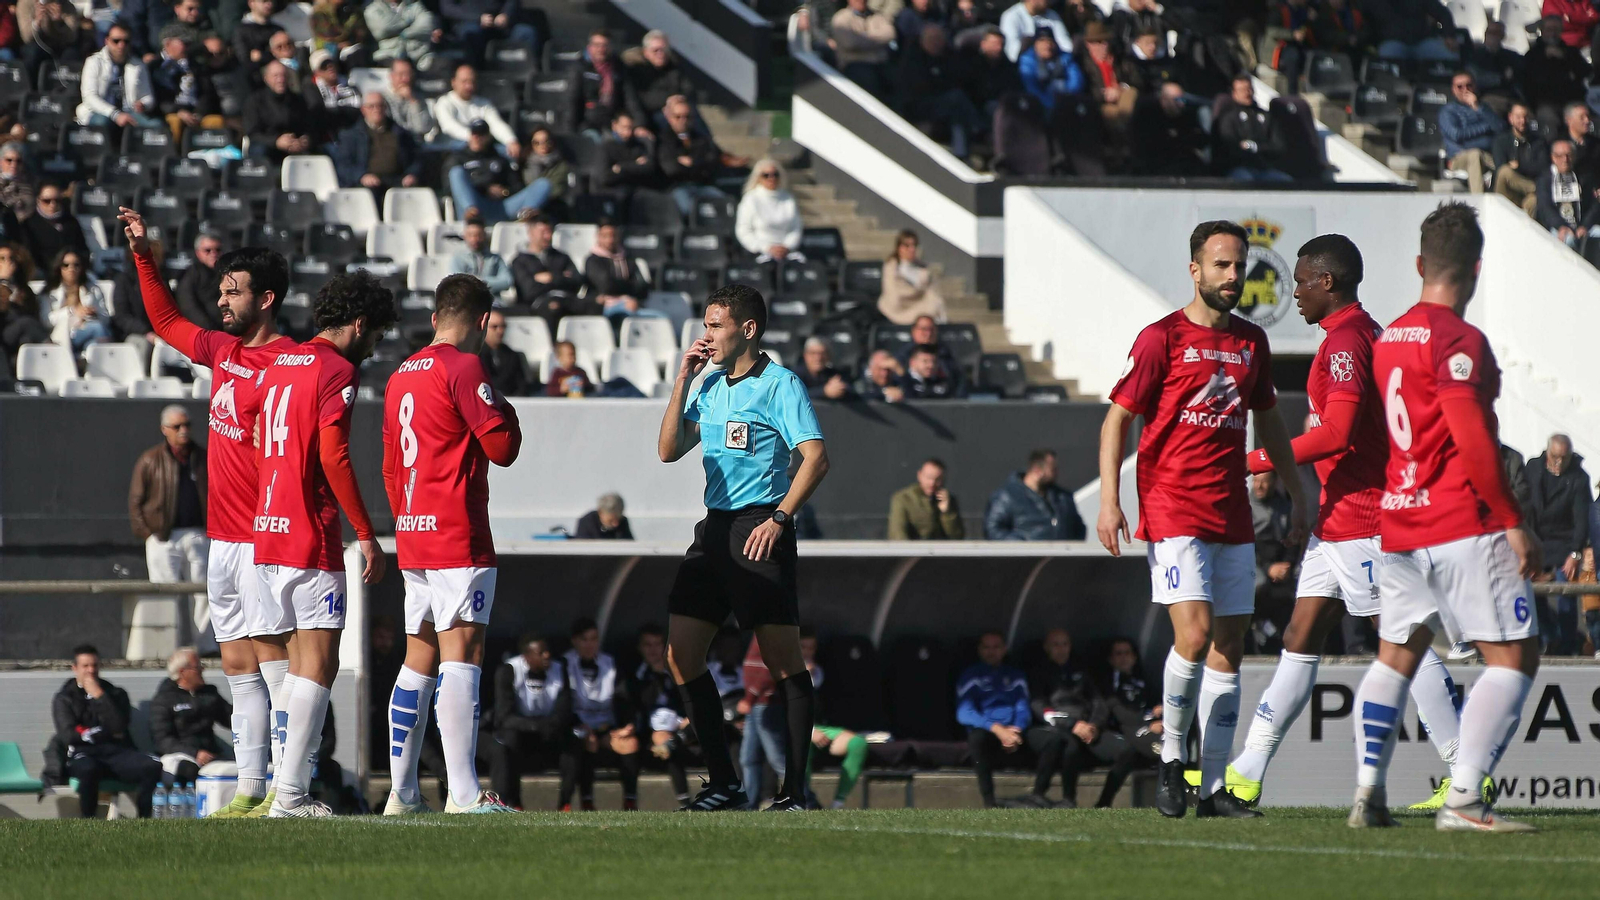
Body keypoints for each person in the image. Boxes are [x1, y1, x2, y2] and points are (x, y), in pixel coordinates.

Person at [1225, 242, 1462, 813]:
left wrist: (1256, 460)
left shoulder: (1347, 341)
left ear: (1327, 281)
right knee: (1299, 637)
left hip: (1366, 518)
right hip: (1337, 518)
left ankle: (1467, 769)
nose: (1296, 293)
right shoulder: (1354, 336)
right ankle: (1247, 771)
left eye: (1302, 281)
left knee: (1401, 640)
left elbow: (1336, 434)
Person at [1097, 219, 1309, 819]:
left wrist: (1295, 490)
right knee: (1191, 637)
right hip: (1171, 505)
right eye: (1221, 265)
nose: (1232, 276)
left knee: (1229, 646)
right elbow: (1116, 420)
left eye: (1240, 266)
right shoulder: (1160, 338)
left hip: (1231, 509)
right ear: (1195, 270)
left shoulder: (1250, 344)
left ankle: (1214, 788)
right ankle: (1170, 759)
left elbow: (1267, 421)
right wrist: (1111, 500)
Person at [1347, 203, 1543, 832]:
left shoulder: (1388, 340)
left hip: (1399, 522)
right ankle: (1462, 802)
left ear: (1418, 264)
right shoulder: (1459, 340)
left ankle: (1367, 792)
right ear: (1477, 270)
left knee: (1395, 658)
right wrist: (1511, 516)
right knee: (1513, 658)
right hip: (1459, 520)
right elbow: (1471, 439)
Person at [121, 208, 298, 818]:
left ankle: (289, 785)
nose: (222, 301)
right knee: (239, 669)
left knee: (274, 666)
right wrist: (145, 254)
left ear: (266, 298)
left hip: (261, 539)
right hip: (222, 542)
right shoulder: (223, 351)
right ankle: (251, 786)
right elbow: (166, 319)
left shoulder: (293, 365)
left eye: (234, 291)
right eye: (220, 290)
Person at [657, 283, 829, 811]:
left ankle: (795, 792)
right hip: (713, 530)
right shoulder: (706, 386)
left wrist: (780, 518)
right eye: (705, 324)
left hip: (758, 528)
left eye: (714, 325)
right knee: (681, 654)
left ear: (746, 330)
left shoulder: (779, 385)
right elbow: (667, 451)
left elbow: (816, 458)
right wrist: (683, 378)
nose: (705, 334)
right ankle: (725, 784)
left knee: (783, 666)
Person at [381, 273, 522, 816]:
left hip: (413, 532)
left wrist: (405, 522)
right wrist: (506, 408)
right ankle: (464, 794)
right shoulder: (465, 367)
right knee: (463, 653)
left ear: (436, 317)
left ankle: (402, 792)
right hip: (457, 533)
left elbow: (391, 467)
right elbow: (502, 447)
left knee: (418, 655)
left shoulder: (399, 375)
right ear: (484, 321)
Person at [255, 269, 393, 818]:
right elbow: (334, 455)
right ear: (360, 324)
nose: (373, 347)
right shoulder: (336, 369)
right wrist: (366, 533)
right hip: (310, 533)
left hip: (267, 530)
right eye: (376, 336)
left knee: (295, 667)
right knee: (319, 664)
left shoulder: (278, 362)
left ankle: (281, 788)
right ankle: (288, 796)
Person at [129, 405, 208, 642]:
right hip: (163, 536)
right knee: (164, 593)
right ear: (165, 429)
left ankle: (207, 647)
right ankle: (165, 647)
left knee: (203, 592)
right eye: (177, 426)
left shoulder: (203, 457)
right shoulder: (150, 460)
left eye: (187, 425)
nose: (183, 431)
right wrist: (148, 534)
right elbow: (135, 501)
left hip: (199, 534)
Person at [54, 644, 163, 818]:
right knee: (88, 769)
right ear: (75, 668)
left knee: (151, 766)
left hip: (117, 753)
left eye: (95, 665)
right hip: (84, 754)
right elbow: (68, 735)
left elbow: (119, 726)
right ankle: (88, 821)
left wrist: (99, 696)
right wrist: (103, 733)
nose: (91, 670)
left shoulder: (115, 694)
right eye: (85, 666)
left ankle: (145, 820)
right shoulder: (65, 698)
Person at [1025, 627, 1117, 808]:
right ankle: (1067, 798)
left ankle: (1104, 803)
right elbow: (1040, 707)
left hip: (1088, 728)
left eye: (1065, 644)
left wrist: (1095, 725)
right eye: (1055, 644)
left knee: (1126, 751)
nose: (1061, 648)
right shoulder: (1038, 672)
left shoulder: (1082, 670)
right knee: (1069, 744)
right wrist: (1072, 724)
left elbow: (1098, 701)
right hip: (1058, 728)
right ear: (1046, 647)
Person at [559, 617, 642, 811]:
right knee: (588, 741)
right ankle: (586, 801)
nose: (590, 645)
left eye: (594, 639)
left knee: (630, 742)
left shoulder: (609, 663)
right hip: (578, 726)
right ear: (574, 641)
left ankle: (630, 802)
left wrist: (628, 725)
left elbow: (624, 698)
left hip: (606, 725)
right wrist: (579, 725)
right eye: (584, 639)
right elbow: (563, 703)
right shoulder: (564, 664)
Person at [1523, 434, 1591, 655]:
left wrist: (1575, 553)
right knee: (1530, 591)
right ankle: (1549, 636)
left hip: (1565, 543)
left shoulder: (1579, 478)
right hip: (1537, 540)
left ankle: (1567, 643)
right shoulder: (1533, 470)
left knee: (1566, 591)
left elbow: (1582, 519)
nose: (1559, 463)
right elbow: (1525, 507)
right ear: (1547, 453)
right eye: (1555, 457)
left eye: (1564, 458)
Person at [489, 633, 568, 809]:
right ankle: (513, 802)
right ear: (526, 656)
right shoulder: (509, 670)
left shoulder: (559, 669)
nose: (547, 656)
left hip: (549, 730)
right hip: (522, 730)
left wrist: (548, 725)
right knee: (508, 740)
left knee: (572, 742)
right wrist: (533, 725)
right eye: (540, 653)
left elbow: (564, 710)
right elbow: (504, 716)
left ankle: (566, 803)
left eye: (547, 651)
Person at [955, 631, 1029, 808]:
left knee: (1050, 740)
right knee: (976, 739)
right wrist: (996, 728)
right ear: (980, 650)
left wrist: (1016, 730)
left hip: (1013, 733)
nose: (991, 652)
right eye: (986, 647)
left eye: (996, 647)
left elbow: (1023, 708)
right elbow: (964, 712)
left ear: (1004, 650)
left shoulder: (1015, 675)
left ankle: (1041, 797)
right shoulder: (971, 675)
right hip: (987, 732)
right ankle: (989, 802)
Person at [627, 623, 692, 807]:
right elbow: (641, 705)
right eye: (648, 645)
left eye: (657, 644)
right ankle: (686, 803)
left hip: (682, 726)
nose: (653, 650)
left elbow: (686, 700)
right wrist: (655, 675)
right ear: (640, 648)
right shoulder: (636, 675)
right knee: (666, 741)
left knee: (703, 720)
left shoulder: (675, 670)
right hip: (654, 731)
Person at [1093, 637, 1162, 807]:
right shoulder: (1108, 682)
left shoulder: (1141, 680)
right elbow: (1120, 712)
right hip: (1129, 729)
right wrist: (1148, 723)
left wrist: (1159, 710)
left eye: (1127, 653)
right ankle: (1103, 803)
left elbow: (1155, 702)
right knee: (1163, 750)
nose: (1124, 657)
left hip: (1149, 726)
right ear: (1110, 659)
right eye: (1119, 654)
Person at [899, 25, 985, 160]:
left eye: (939, 39)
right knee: (956, 98)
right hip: (920, 105)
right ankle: (978, 127)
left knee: (958, 114)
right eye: (932, 39)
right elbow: (920, 87)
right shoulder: (915, 60)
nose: (937, 42)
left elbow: (958, 79)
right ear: (923, 41)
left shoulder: (948, 57)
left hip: (945, 105)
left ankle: (961, 154)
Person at [149, 647, 232, 785]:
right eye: (198, 667)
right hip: (178, 756)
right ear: (183, 672)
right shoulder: (164, 699)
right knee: (188, 770)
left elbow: (230, 718)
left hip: (210, 755)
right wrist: (195, 753)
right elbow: (162, 740)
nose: (202, 670)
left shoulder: (209, 694)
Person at [657, 95, 739, 218]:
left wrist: (690, 163)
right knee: (688, 209)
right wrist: (698, 163)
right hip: (677, 188)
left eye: (687, 116)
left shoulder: (701, 138)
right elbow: (671, 169)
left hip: (702, 186)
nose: (682, 120)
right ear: (669, 117)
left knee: (727, 204)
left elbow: (711, 163)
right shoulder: (662, 139)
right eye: (677, 117)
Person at [980, 449, 1085, 541]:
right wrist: (1020, 545)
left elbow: (1079, 528)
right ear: (1037, 470)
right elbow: (993, 529)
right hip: (1025, 561)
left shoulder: (1063, 497)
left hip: (1061, 560)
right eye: (1053, 470)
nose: (1057, 473)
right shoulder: (1006, 497)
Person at [447, 123, 539, 226]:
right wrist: (485, 189)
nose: (477, 138)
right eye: (474, 134)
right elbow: (450, 187)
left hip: (501, 206)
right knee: (456, 172)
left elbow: (516, 185)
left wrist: (505, 191)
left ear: (488, 137)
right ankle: (472, 215)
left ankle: (526, 215)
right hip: (476, 204)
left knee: (543, 184)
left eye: (481, 135)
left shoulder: (499, 157)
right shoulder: (457, 157)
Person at [332, 92, 422, 193]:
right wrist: (361, 176)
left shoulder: (401, 133)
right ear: (363, 110)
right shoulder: (351, 136)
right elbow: (343, 165)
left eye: (380, 105)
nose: (376, 110)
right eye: (371, 106)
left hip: (397, 181)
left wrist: (411, 174)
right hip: (367, 185)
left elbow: (415, 160)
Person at [76, 23, 159, 127]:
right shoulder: (93, 62)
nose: (121, 45)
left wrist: (143, 104)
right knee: (101, 123)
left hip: (129, 112)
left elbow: (148, 96)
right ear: (107, 41)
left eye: (126, 41)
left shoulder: (138, 64)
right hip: (100, 112)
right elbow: (89, 97)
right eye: (116, 41)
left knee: (155, 126)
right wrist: (115, 114)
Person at [1213, 75, 1290, 182]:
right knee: (1246, 181)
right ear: (1234, 93)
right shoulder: (1228, 118)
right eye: (1242, 90)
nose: (1247, 93)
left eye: (1249, 89)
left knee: (1286, 182)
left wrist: (1254, 147)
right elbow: (1229, 148)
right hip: (1239, 168)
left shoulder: (1266, 116)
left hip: (1264, 168)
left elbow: (1279, 146)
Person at [511, 216, 585, 324]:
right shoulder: (520, 261)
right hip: (537, 305)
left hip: (566, 299)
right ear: (530, 233)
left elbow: (577, 282)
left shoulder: (561, 256)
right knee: (553, 307)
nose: (548, 236)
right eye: (543, 232)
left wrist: (551, 277)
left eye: (550, 232)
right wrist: (562, 277)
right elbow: (529, 291)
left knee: (593, 305)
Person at [1439, 72, 1504, 195]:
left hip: (1487, 156)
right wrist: (1486, 127)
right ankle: (1478, 199)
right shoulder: (1447, 111)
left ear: (1474, 86)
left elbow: (1500, 128)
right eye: (1460, 86)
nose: (1465, 90)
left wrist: (1478, 108)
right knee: (1475, 155)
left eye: (1469, 85)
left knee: (1507, 164)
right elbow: (1457, 135)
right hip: (1458, 158)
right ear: (1453, 89)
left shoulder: (1483, 107)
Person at [434, 64, 519, 157]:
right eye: (464, 82)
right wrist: (474, 137)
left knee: (507, 151)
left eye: (472, 81)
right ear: (453, 82)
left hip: (482, 145)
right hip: (454, 148)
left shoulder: (484, 103)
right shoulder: (444, 102)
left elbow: (496, 124)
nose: (469, 86)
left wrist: (511, 140)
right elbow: (449, 127)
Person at [1130, 81, 1209, 176]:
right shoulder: (1148, 117)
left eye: (1182, 100)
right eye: (1177, 100)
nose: (1181, 104)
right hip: (1155, 168)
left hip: (1184, 165)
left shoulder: (1187, 115)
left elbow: (1201, 139)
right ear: (1164, 100)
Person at [735, 160, 803, 263]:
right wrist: (767, 248)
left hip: (786, 252)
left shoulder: (788, 198)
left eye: (775, 174)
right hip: (759, 254)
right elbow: (743, 230)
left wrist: (786, 247)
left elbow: (796, 228)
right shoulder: (751, 199)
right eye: (766, 175)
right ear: (758, 178)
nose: (772, 178)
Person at [243, 60, 313, 161]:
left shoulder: (298, 100)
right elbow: (252, 134)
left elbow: (308, 126)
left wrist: (305, 139)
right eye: (275, 76)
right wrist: (276, 142)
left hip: (294, 146)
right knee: (259, 150)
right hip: (267, 146)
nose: (281, 80)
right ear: (266, 79)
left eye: (284, 75)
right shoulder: (254, 101)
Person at [626, 31, 696, 131]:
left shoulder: (675, 69)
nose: (660, 54)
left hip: (678, 109)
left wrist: (679, 99)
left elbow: (689, 89)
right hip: (653, 114)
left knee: (693, 116)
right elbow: (642, 98)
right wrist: (669, 102)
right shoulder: (637, 71)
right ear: (646, 52)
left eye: (664, 50)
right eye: (656, 50)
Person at [567, 30, 633, 137]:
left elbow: (630, 98)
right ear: (589, 47)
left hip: (613, 121)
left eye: (605, 45)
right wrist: (570, 132)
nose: (601, 49)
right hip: (588, 123)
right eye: (597, 45)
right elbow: (572, 101)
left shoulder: (619, 68)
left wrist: (640, 124)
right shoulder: (579, 69)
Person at [583, 220, 649, 324]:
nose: (610, 240)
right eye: (605, 236)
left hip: (631, 304)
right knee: (625, 317)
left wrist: (627, 292)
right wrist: (629, 287)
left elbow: (643, 288)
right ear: (598, 237)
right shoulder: (593, 260)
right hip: (604, 308)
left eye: (613, 235)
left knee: (661, 318)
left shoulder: (628, 259)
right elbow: (606, 286)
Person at [44, 248, 110, 352]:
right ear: (59, 268)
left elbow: (106, 317)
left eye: (76, 265)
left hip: (88, 331)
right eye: (66, 265)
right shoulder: (51, 292)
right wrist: (73, 311)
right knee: (98, 328)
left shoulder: (92, 289)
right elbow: (46, 320)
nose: (71, 269)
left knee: (92, 345)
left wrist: (94, 314)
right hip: (63, 334)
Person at [878, 229, 947, 325]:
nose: (912, 249)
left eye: (914, 245)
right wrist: (918, 293)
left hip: (922, 311)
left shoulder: (924, 269)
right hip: (896, 312)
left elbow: (934, 294)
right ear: (899, 248)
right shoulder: (891, 267)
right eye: (907, 246)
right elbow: (894, 297)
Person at [437, 0, 536, 67]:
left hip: (499, 26)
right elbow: (447, 8)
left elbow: (512, 1)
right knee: (471, 32)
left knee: (526, 32)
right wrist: (478, 18)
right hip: (469, 24)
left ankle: (522, 83)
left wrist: (506, 15)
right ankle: (476, 76)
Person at [829, 0, 895, 98]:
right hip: (855, 65)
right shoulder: (841, 18)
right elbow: (850, 43)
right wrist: (876, 39)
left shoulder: (877, 16)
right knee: (869, 80)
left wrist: (864, 37)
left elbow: (890, 34)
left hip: (881, 64)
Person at [1491, 103, 1548, 216]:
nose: (1522, 121)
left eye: (1525, 117)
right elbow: (1500, 167)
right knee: (1504, 171)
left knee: (1534, 201)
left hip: (1529, 192)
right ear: (1510, 118)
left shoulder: (1539, 142)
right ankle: (1535, 189)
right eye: (1518, 117)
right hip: (1508, 191)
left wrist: (1520, 166)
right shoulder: (1501, 141)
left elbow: (1542, 167)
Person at [888, 457, 964, 539]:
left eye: (937, 479)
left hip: (940, 550)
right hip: (914, 549)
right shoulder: (904, 499)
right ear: (919, 475)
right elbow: (898, 532)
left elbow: (956, 536)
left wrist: (946, 513)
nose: (932, 483)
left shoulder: (948, 500)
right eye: (929, 477)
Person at [593, 110, 657, 206]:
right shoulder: (606, 147)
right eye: (624, 127)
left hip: (636, 191)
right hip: (612, 193)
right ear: (614, 125)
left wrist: (621, 168)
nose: (628, 132)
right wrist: (635, 166)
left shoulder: (638, 146)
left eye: (630, 128)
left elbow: (649, 168)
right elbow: (604, 177)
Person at [20, 185, 86, 271]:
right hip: (41, 272)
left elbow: (81, 248)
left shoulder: (71, 223)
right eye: (46, 201)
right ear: (38, 200)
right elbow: (27, 254)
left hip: (69, 270)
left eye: (57, 200)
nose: (52, 204)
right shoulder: (28, 225)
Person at [301, 50, 361, 139]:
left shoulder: (350, 83)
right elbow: (319, 113)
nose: (330, 67)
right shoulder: (311, 88)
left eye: (331, 63)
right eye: (323, 66)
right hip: (331, 133)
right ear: (316, 72)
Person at [365, 0, 439, 71]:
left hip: (418, 55)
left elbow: (427, 24)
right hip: (388, 55)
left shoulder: (414, 4)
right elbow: (384, 27)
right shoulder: (372, 9)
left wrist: (404, 33)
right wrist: (409, 21)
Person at [448, 218, 513, 294]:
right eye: (471, 235)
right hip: (468, 302)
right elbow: (458, 284)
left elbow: (507, 281)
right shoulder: (458, 258)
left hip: (494, 301)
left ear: (484, 235)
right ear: (465, 236)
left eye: (478, 235)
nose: (474, 239)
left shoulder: (495, 258)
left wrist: (480, 282)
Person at [478, 309, 532, 397]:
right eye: (494, 327)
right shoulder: (475, 355)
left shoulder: (514, 356)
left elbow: (522, 385)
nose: (500, 331)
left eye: (503, 326)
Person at [176, 234, 223, 331]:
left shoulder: (227, 272)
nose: (213, 253)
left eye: (217, 250)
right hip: (204, 330)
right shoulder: (190, 275)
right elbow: (188, 305)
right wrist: (209, 329)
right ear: (198, 253)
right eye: (207, 250)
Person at [999, 0, 1071, 62]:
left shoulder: (1052, 15)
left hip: (1053, 63)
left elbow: (1066, 46)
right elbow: (1012, 53)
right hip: (1023, 66)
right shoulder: (1011, 16)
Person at [382, 58, 435, 141]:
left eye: (408, 74)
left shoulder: (417, 97)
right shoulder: (383, 99)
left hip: (415, 144)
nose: (405, 79)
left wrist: (413, 101)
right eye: (401, 74)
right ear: (391, 76)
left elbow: (424, 128)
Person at [310, 0, 371, 66]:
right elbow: (326, 34)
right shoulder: (321, 11)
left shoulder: (352, 9)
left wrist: (350, 42)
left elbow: (361, 31)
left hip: (348, 46)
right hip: (326, 47)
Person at [897, 344, 962, 399]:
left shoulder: (944, 383)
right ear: (912, 362)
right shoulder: (900, 382)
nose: (931, 365)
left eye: (934, 362)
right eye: (925, 361)